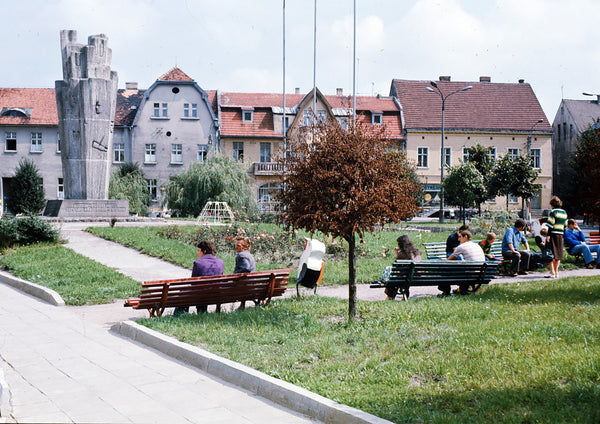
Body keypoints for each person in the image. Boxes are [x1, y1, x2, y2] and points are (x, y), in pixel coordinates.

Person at [173, 241, 224, 316]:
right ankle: (202, 313)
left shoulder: (198, 263)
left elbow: (193, 282)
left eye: (198, 251)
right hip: (216, 294)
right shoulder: (220, 262)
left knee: (184, 292)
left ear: (204, 251)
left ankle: (179, 314)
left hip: (200, 295)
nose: (197, 253)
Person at [441, 229, 485, 295]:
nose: (458, 239)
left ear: (465, 237)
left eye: (460, 237)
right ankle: (462, 290)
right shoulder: (477, 245)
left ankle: (446, 292)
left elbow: (448, 260)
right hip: (480, 274)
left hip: (469, 274)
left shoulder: (461, 247)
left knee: (445, 270)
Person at [385, 235, 421, 300]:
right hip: (418, 277)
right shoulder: (417, 252)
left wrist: (397, 254)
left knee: (394, 279)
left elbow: (397, 266)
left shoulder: (402, 254)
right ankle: (405, 296)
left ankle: (389, 297)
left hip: (407, 278)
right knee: (404, 277)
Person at [546, 196, 568, 278]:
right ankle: (556, 271)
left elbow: (550, 225)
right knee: (558, 253)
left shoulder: (553, 212)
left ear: (552, 204)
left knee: (550, 253)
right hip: (560, 234)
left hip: (553, 234)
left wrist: (548, 235)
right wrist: (563, 235)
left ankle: (552, 272)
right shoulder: (564, 213)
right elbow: (565, 226)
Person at [234, 236, 256, 309]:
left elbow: (246, 268)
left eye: (238, 246)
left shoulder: (241, 255)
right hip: (252, 284)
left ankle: (218, 309)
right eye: (236, 245)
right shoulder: (250, 255)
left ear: (245, 247)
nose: (236, 247)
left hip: (244, 286)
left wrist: (235, 274)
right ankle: (242, 305)